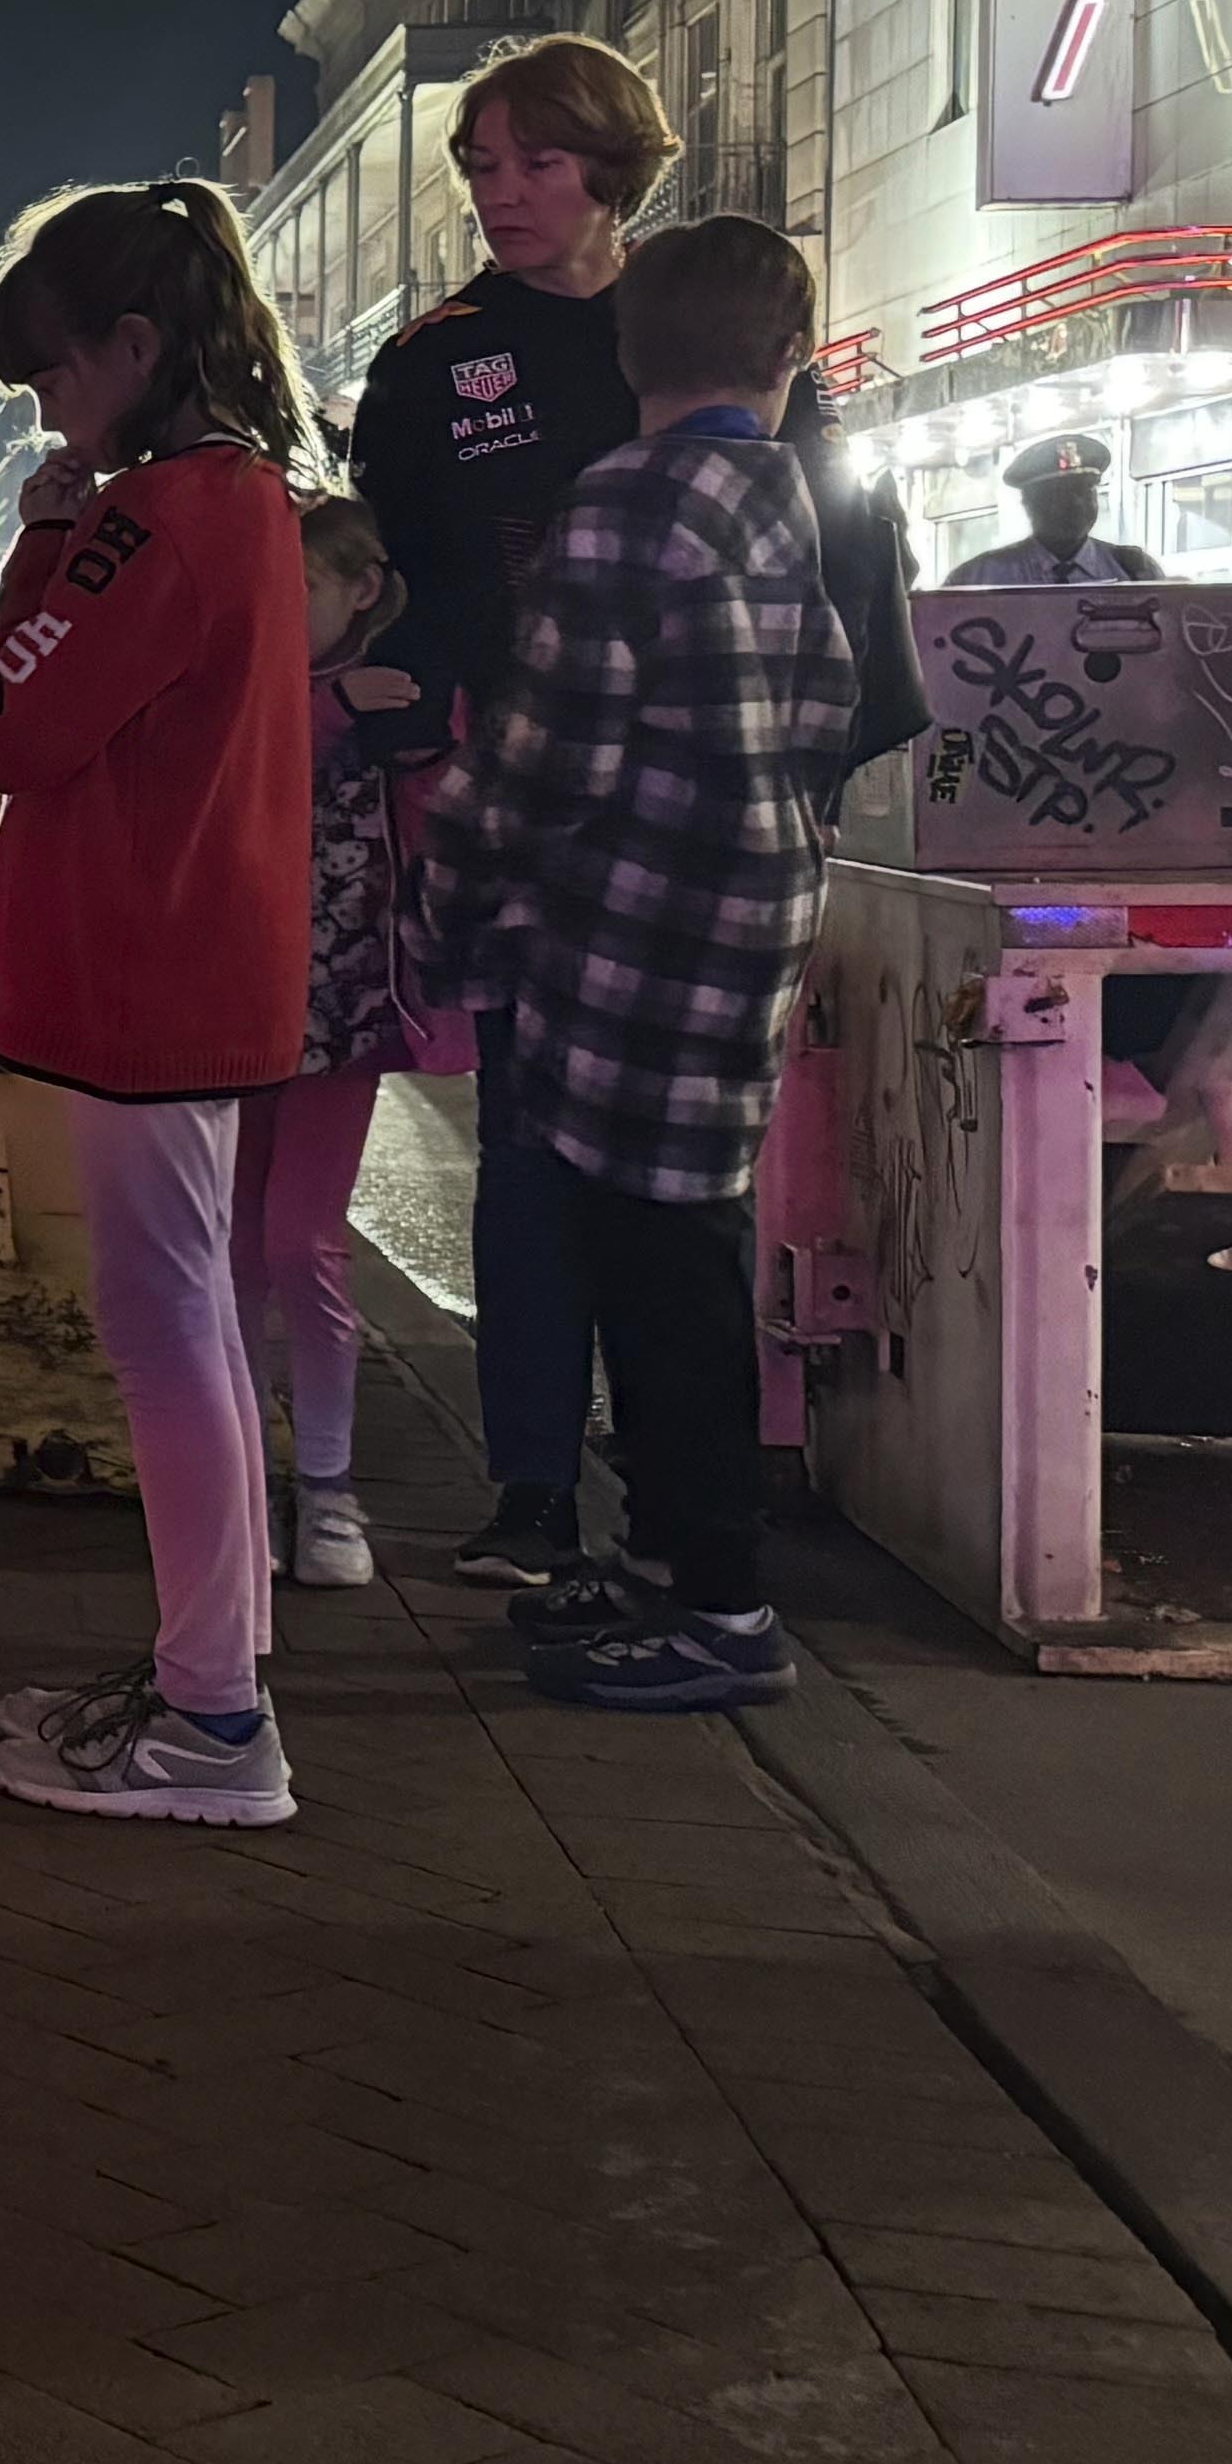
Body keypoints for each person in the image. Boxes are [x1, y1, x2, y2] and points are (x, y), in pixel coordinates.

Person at [346, 32, 911, 1594]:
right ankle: (540, 1490)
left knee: (675, 1207)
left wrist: (792, 807)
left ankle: (689, 1535)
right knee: (530, 1164)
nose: (502, 194)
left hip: (690, 847)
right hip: (537, 827)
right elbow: (389, 579)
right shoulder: (433, 363)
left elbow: (853, 600)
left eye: (536, 163)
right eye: (479, 166)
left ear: (616, 171)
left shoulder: (715, 331)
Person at [428, 215, 857, 1714]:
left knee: (657, 1266)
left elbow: (547, 754)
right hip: (750, 913)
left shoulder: (622, 498)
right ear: (788, 362)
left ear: (625, 353)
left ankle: (723, 1609)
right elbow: (831, 700)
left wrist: (453, 905)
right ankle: (678, 1563)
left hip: (634, 933)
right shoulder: (777, 491)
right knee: (679, 1245)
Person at [0, 185, 317, 1826]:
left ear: (131, 347)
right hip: (196, 955)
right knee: (190, 1322)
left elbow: (9, 720)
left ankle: (213, 1718)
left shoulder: (147, 516)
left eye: (54, 376)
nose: (45, 408)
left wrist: (40, 528)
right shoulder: (238, 501)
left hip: (145, 965)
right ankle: (203, 1677)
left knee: (168, 1325)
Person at [231, 494, 458, 1594]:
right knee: (234, 1243)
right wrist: (322, 700)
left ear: (362, 588)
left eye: (303, 589)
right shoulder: (295, 688)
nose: (279, 608)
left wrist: (332, 709)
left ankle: (325, 1484)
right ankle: (236, 1477)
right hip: (237, 1000)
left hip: (348, 1001)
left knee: (294, 1241)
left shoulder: (408, 701)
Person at [947, 432, 1163, 586]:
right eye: (1060, 494)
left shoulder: (1135, 571)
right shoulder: (980, 578)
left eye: (1085, 490)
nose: (1076, 503)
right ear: (1029, 502)